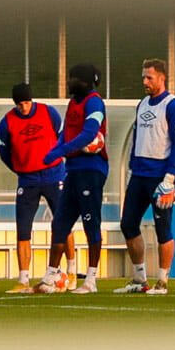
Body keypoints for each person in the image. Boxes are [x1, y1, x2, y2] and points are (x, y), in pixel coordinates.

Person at [117, 58, 175, 295]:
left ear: (162, 78)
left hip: (160, 177)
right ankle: (139, 279)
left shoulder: (173, 106)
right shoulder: (142, 104)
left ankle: (163, 281)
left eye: (149, 77)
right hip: (139, 175)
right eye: (143, 77)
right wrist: (130, 169)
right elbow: (138, 139)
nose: (145, 82)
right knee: (128, 224)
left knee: (162, 229)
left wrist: (170, 178)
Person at [42, 63, 108, 294]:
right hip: (73, 170)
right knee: (60, 221)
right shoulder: (73, 104)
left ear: (85, 81)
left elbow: (89, 134)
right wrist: (55, 149)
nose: (69, 82)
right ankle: (50, 276)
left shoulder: (94, 102)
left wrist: (61, 151)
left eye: (73, 78)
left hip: (91, 169)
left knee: (91, 223)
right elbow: (65, 133)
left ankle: (91, 280)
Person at [0, 83, 68, 293]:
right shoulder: (7, 122)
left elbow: (62, 137)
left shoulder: (49, 113)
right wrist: (20, 168)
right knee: (23, 228)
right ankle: (23, 279)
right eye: (19, 104)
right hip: (27, 180)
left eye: (26, 103)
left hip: (54, 175)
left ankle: (70, 271)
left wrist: (57, 159)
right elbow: (4, 152)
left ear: (32, 100)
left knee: (64, 221)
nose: (23, 108)